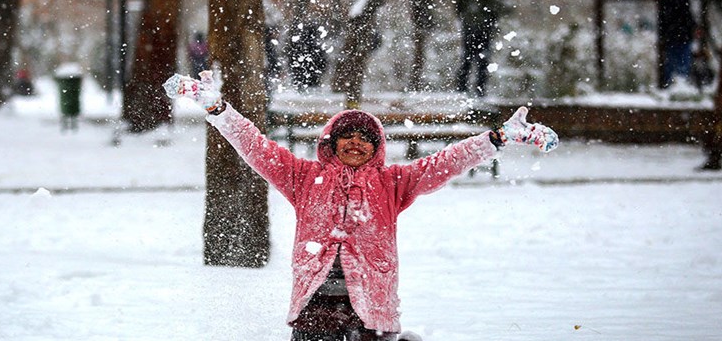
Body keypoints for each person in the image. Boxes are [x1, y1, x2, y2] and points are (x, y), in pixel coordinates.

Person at [163, 71, 558, 341]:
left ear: (377, 148)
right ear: (330, 144)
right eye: (346, 137)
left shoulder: (393, 183)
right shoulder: (302, 177)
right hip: (314, 309)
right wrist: (217, 109)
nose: (355, 143)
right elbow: (254, 145)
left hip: (370, 310)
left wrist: (499, 138)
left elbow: (447, 161)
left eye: (365, 139)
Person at [658, 0, 695, 88]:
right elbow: (686, 13)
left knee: (672, 59)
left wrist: (664, 31)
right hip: (682, 33)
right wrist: (692, 26)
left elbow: (664, 14)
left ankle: (671, 84)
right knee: (683, 60)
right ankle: (680, 85)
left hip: (672, 33)